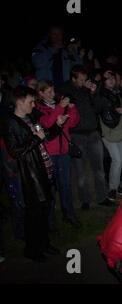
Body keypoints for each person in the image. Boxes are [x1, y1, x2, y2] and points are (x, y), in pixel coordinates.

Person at [5, 86, 61, 262]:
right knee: (34, 214)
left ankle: (44, 244)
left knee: (43, 211)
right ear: (20, 102)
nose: (33, 104)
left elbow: (44, 136)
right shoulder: (11, 123)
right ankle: (33, 250)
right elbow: (15, 151)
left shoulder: (29, 118)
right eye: (30, 101)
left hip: (42, 170)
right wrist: (36, 138)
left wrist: (57, 126)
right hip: (30, 175)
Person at [58, 65, 112, 209]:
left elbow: (100, 108)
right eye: (81, 79)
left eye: (85, 79)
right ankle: (85, 200)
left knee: (99, 169)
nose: (84, 82)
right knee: (80, 171)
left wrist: (94, 93)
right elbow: (64, 100)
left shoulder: (89, 90)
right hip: (77, 135)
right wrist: (82, 90)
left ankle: (102, 197)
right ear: (73, 79)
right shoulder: (65, 90)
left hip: (93, 133)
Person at [36, 80, 81, 228]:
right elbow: (47, 124)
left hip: (64, 152)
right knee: (50, 188)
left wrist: (72, 109)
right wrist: (60, 108)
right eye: (48, 91)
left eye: (53, 91)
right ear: (40, 93)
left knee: (65, 185)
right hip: (49, 153)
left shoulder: (57, 105)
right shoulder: (37, 108)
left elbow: (72, 123)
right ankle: (49, 221)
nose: (52, 94)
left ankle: (68, 214)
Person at [98, 70, 122, 200]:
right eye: (108, 78)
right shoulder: (100, 95)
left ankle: (116, 185)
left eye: (112, 78)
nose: (111, 80)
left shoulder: (117, 94)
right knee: (116, 160)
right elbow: (101, 111)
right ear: (103, 81)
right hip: (108, 130)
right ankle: (112, 188)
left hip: (120, 129)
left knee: (119, 161)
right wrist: (116, 111)